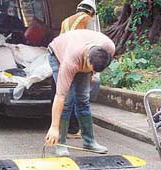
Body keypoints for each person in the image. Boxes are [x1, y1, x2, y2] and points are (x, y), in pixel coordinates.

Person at [45, 29, 114, 157]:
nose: (89, 71)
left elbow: (94, 66)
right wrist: (54, 127)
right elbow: (60, 96)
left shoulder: (109, 48)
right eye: (89, 68)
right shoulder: (70, 62)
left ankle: (89, 142)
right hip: (57, 54)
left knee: (83, 99)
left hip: (80, 50)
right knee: (67, 100)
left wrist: (92, 73)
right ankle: (61, 143)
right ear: (87, 58)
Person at [59, 0, 96, 139]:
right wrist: (92, 69)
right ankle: (74, 130)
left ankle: (66, 130)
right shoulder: (88, 19)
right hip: (81, 62)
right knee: (81, 98)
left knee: (66, 98)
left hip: (66, 61)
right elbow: (93, 43)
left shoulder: (65, 21)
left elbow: (60, 42)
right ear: (91, 11)